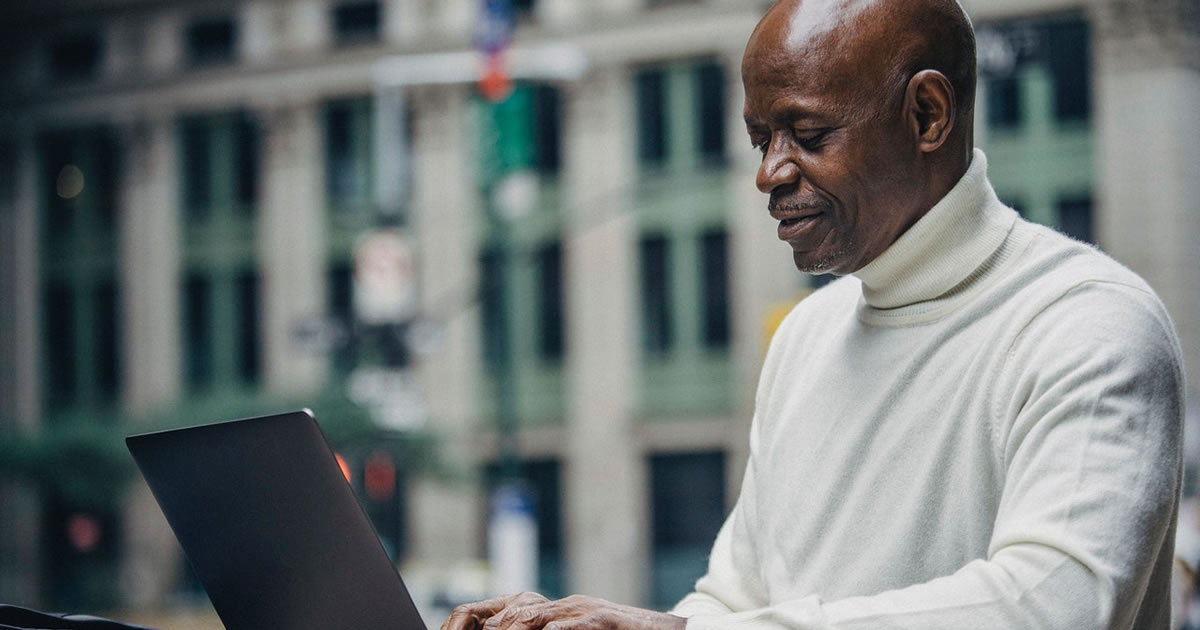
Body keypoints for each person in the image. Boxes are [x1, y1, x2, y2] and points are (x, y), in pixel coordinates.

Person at [442, 0, 1186, 627]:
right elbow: (737, 603)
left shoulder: (1092, 324)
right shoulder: (805, 335)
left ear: (929, 114)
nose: (769, 172)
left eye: (809, 133)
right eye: (762, 138)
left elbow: (1048, 609)